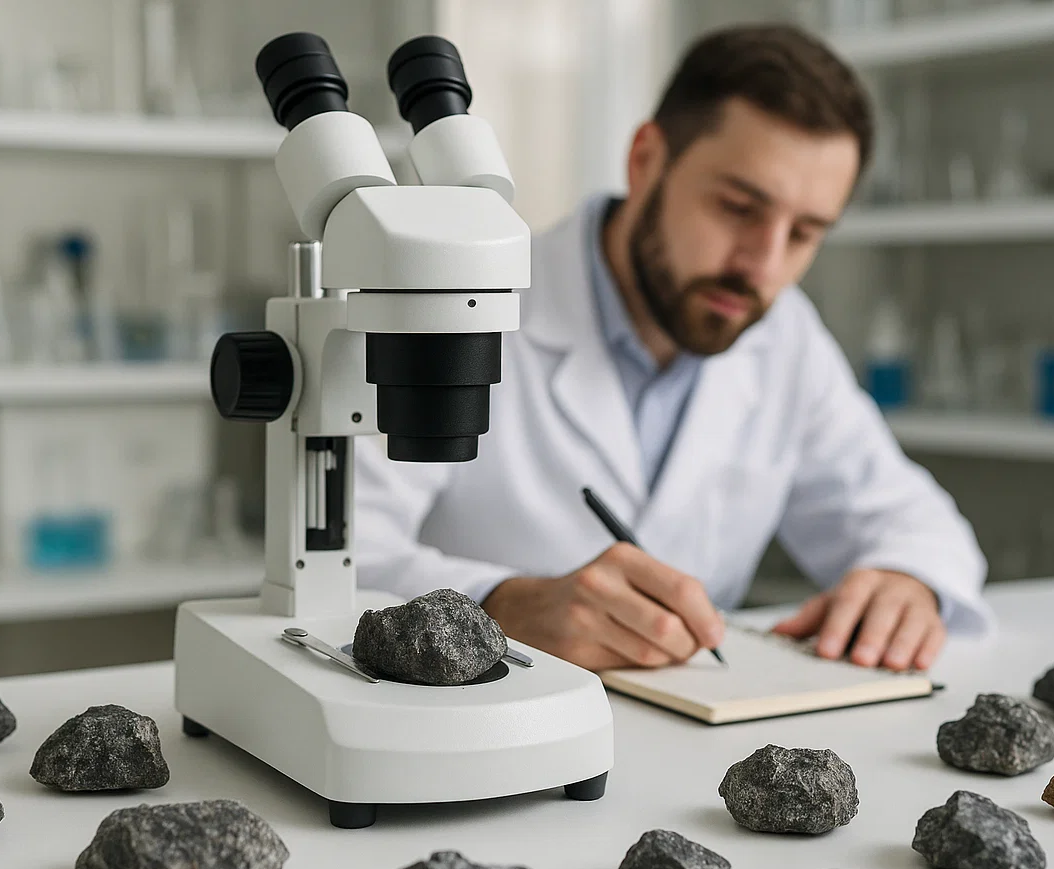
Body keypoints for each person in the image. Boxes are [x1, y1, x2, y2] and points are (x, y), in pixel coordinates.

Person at [353, 23, 989, 674]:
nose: (762, 266)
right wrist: (502, 607)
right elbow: (336, 553)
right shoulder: (462, 306)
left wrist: (907, 581)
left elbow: (915, 520)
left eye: (804, 232)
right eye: (739, 207)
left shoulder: (782, 333)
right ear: (646, 159)